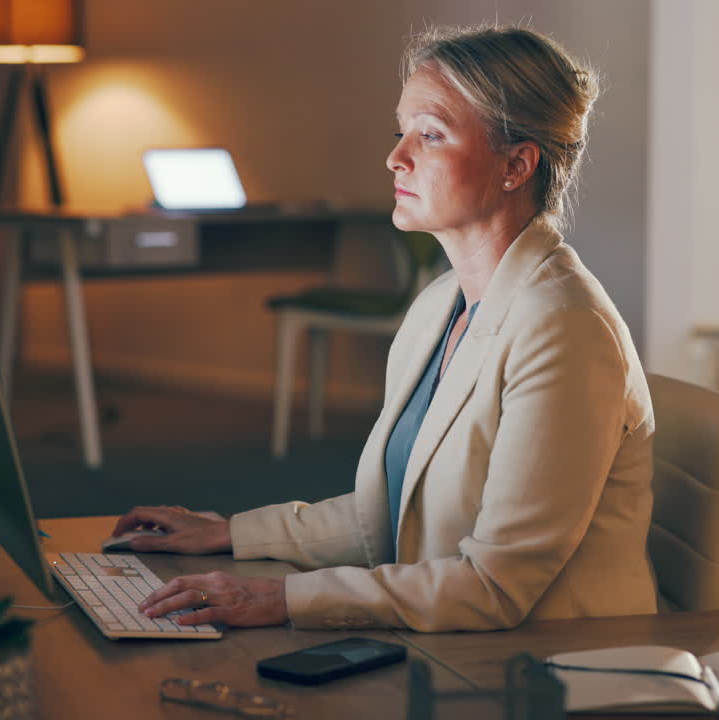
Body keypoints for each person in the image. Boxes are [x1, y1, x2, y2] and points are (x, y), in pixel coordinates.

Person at [112, 24, 658, 632]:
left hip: (541, 663)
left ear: (516, 165)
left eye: (431, 135)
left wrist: (281, 600)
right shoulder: (439, 305)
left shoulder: (565, 329)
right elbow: (391, 515)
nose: (396, 158)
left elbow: (492, 588)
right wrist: (230, 533)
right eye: (402, 133)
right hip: (449, 637)